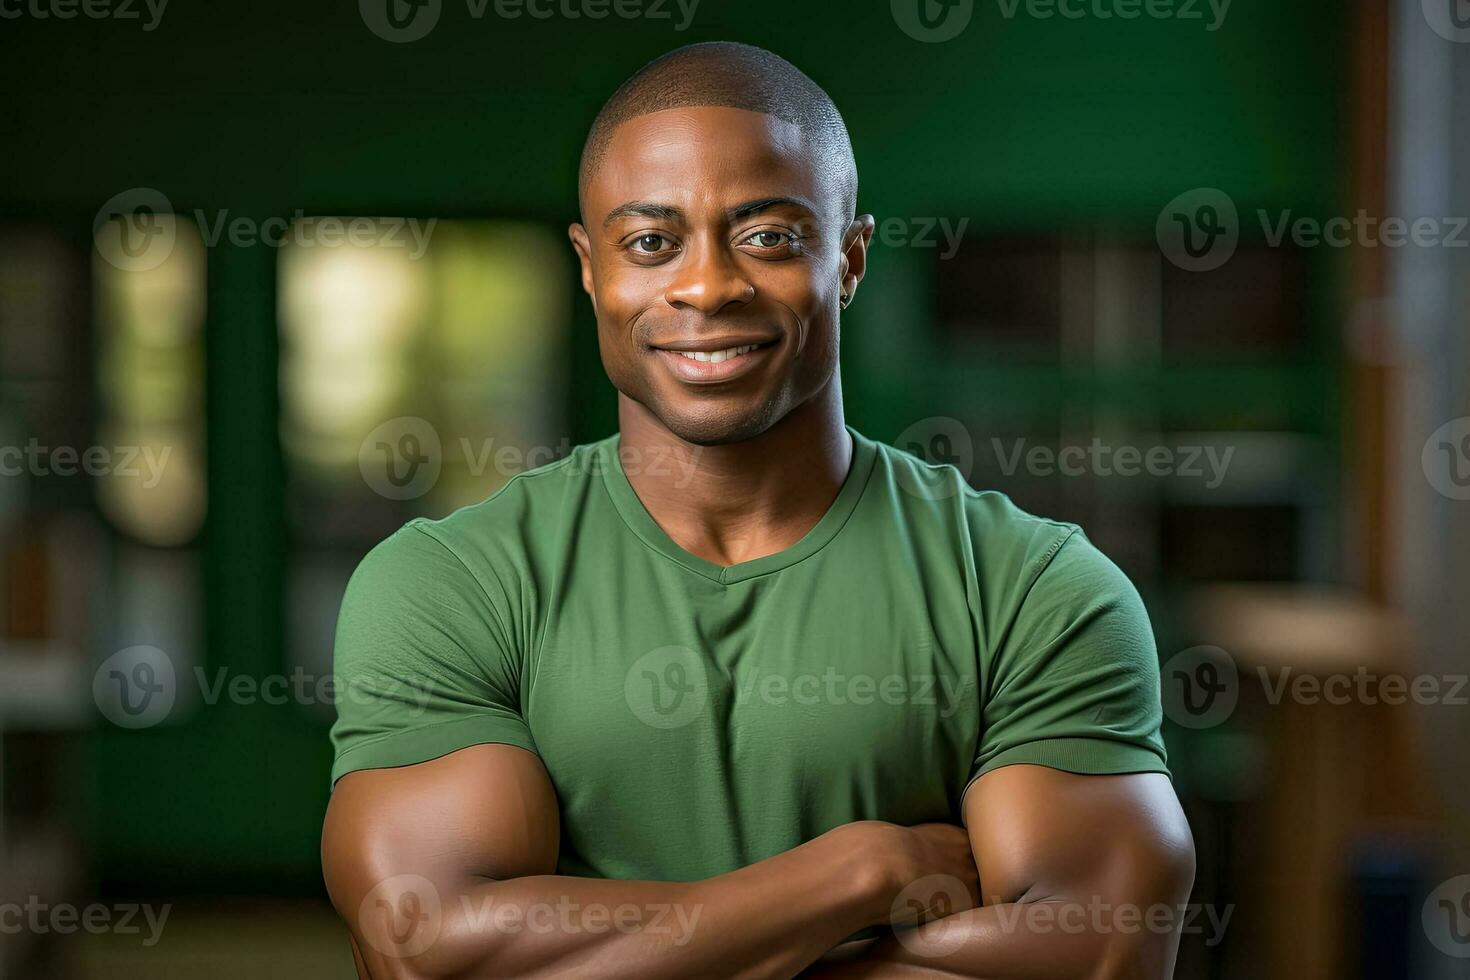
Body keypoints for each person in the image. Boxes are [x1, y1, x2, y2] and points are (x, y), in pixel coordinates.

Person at [322, 40, 1194, 979]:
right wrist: (861, 871)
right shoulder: (448, 585)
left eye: (768, 236)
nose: (707, 287)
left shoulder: (1032, 588)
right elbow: (424, 950)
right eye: (652, 243)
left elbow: (1099, 952)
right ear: (590, 268)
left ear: (850, 259)